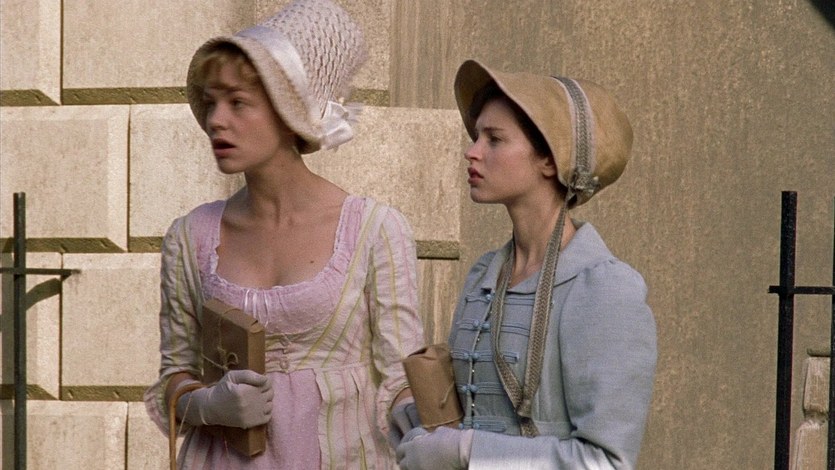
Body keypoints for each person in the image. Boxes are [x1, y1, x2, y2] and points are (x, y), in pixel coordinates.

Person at [142, 1, 425, 468]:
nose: (216, 121)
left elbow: (401, 378)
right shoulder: (190, 238)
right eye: (211, 103)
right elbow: (175, 374)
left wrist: (431, 433)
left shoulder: (374, 230)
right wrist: (208, 404)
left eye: (238, 103)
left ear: (287, 112)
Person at [394, 60, 657, 469]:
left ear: (549, 161)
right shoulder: (484, 276)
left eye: (494, 139)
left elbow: (605, 461)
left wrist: (466, 451)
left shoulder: (604, 289)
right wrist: (417, 423)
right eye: (477, 136)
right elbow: (472, 413)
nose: (472, 151)